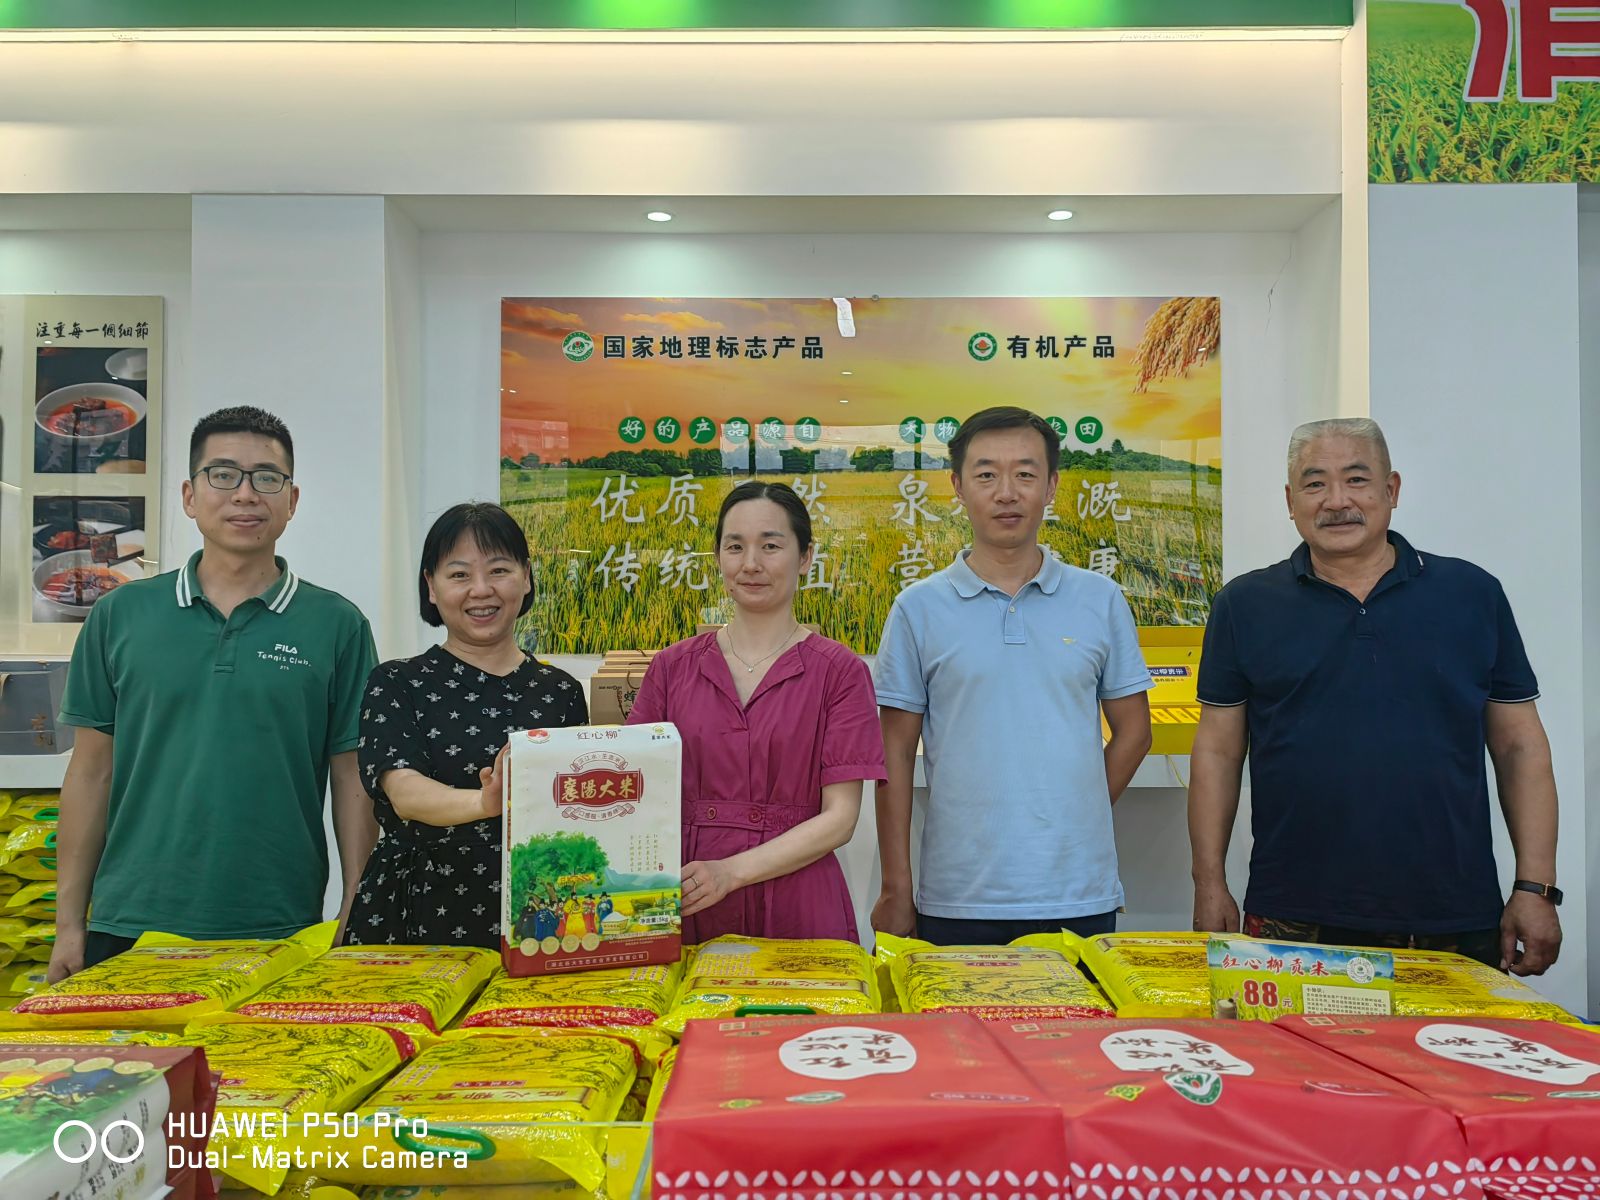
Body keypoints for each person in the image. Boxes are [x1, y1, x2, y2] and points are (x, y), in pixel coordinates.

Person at [1188, 417, 1562, 975]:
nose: (1337, 501)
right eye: (1315, 483)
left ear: (1392, 490)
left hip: (1453, 912)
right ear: (1290, 501)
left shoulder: (1472, 593)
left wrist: (1536, 887)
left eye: (1357, 480)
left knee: (1455, 1037)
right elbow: (1217, 752)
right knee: (1298, 1040)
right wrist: (1209, 882)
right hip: (1295, 914)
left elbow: (1520, 748)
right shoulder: (1243, 605)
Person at [51, 406, 379, 978]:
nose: (245, 495)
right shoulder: (119, 614)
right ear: (189, 495)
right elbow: (90, 772)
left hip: (279, 923)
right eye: (223, 475)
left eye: (266, 478)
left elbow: (352, 776)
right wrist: (68, 925)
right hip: (129, 921)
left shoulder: (337, 624)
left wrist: (355, 907)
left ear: (292, 501)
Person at [871, 406, 1153, 947]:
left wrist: (1078, 809)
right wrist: (895, 884)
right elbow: (894, 754)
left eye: (1025, 474)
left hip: (1078, 893)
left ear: (1051, 486)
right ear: (957, 487)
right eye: (986, 475)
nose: (1006, 493)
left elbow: (1135, 732)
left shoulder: (1100, 599)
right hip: (958, 895)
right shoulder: (917, 609)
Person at [626, 480, 884, 942]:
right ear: (718, 558)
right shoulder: (671, 667)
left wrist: (730, 872)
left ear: (805, 557)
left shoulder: (840, 672)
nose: (751, 564)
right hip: (687, 892)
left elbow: (840, 818)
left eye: (770, 546)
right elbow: (634, 787)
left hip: (797, 897)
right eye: (735, 547)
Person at [344, 502, 586, 947]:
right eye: (459, 575)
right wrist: (485, 801)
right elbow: (403, 792)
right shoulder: (397, 682)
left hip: (533, 910)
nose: (481, 590)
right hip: (416, 907)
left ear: (526, 577)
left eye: (499, 570)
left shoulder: (561, 691)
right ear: (431, 587)